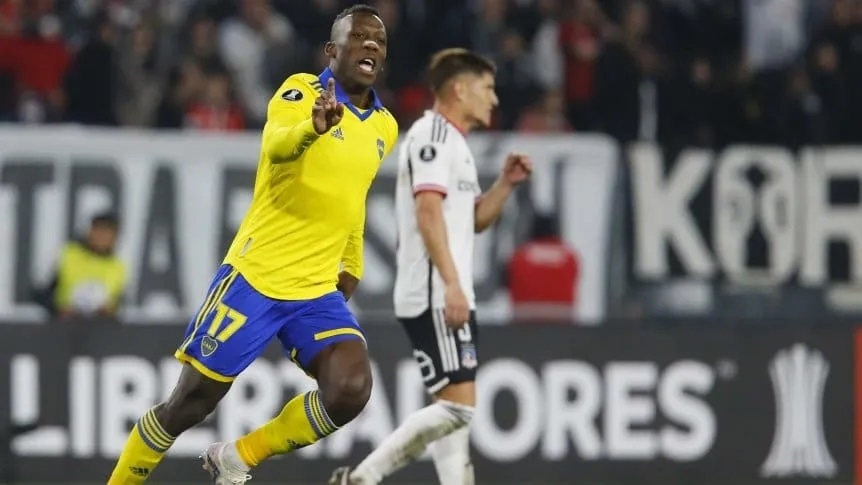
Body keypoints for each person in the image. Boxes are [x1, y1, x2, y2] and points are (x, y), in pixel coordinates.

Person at [106, 5, 398, 484]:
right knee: (188, 405)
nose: (371, 45)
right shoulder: (301, 91)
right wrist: (312, 128)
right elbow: (277, 145)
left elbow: (354, 196)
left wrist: (352, 261)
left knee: (351, 388)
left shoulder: (384, 125)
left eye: (379, 41)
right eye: (359, 37)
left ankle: (239, 457)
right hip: (256, 277)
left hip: (315, 290)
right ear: (332, 50)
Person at [330, 48, 532, 485]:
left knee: (451, 412)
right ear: (459, 89)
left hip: (446, 290)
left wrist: (505, 184)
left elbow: (472, 219)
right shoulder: (432, 136)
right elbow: (427, 212)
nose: (494, 99)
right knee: (459, 408)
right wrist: (452, 284)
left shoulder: (454, 143)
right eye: (487, 88)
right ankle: (360, 479)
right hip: (435, 290)